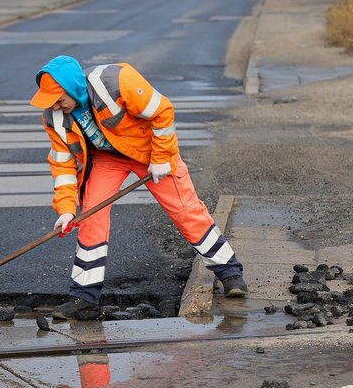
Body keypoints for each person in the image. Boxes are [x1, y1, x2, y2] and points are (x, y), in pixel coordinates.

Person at [29, 55, 248, 320]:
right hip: (107, 158)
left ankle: (230, 272)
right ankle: (84, 298)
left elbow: (163, 111)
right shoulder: (53, 118)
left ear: (73, 88)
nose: (55, 105)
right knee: (91, 216)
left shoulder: (116, 81)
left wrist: (160, 158)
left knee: (184, 209)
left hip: (150, 151)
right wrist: (65, 210)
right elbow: (62, 166)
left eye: (59, 99)